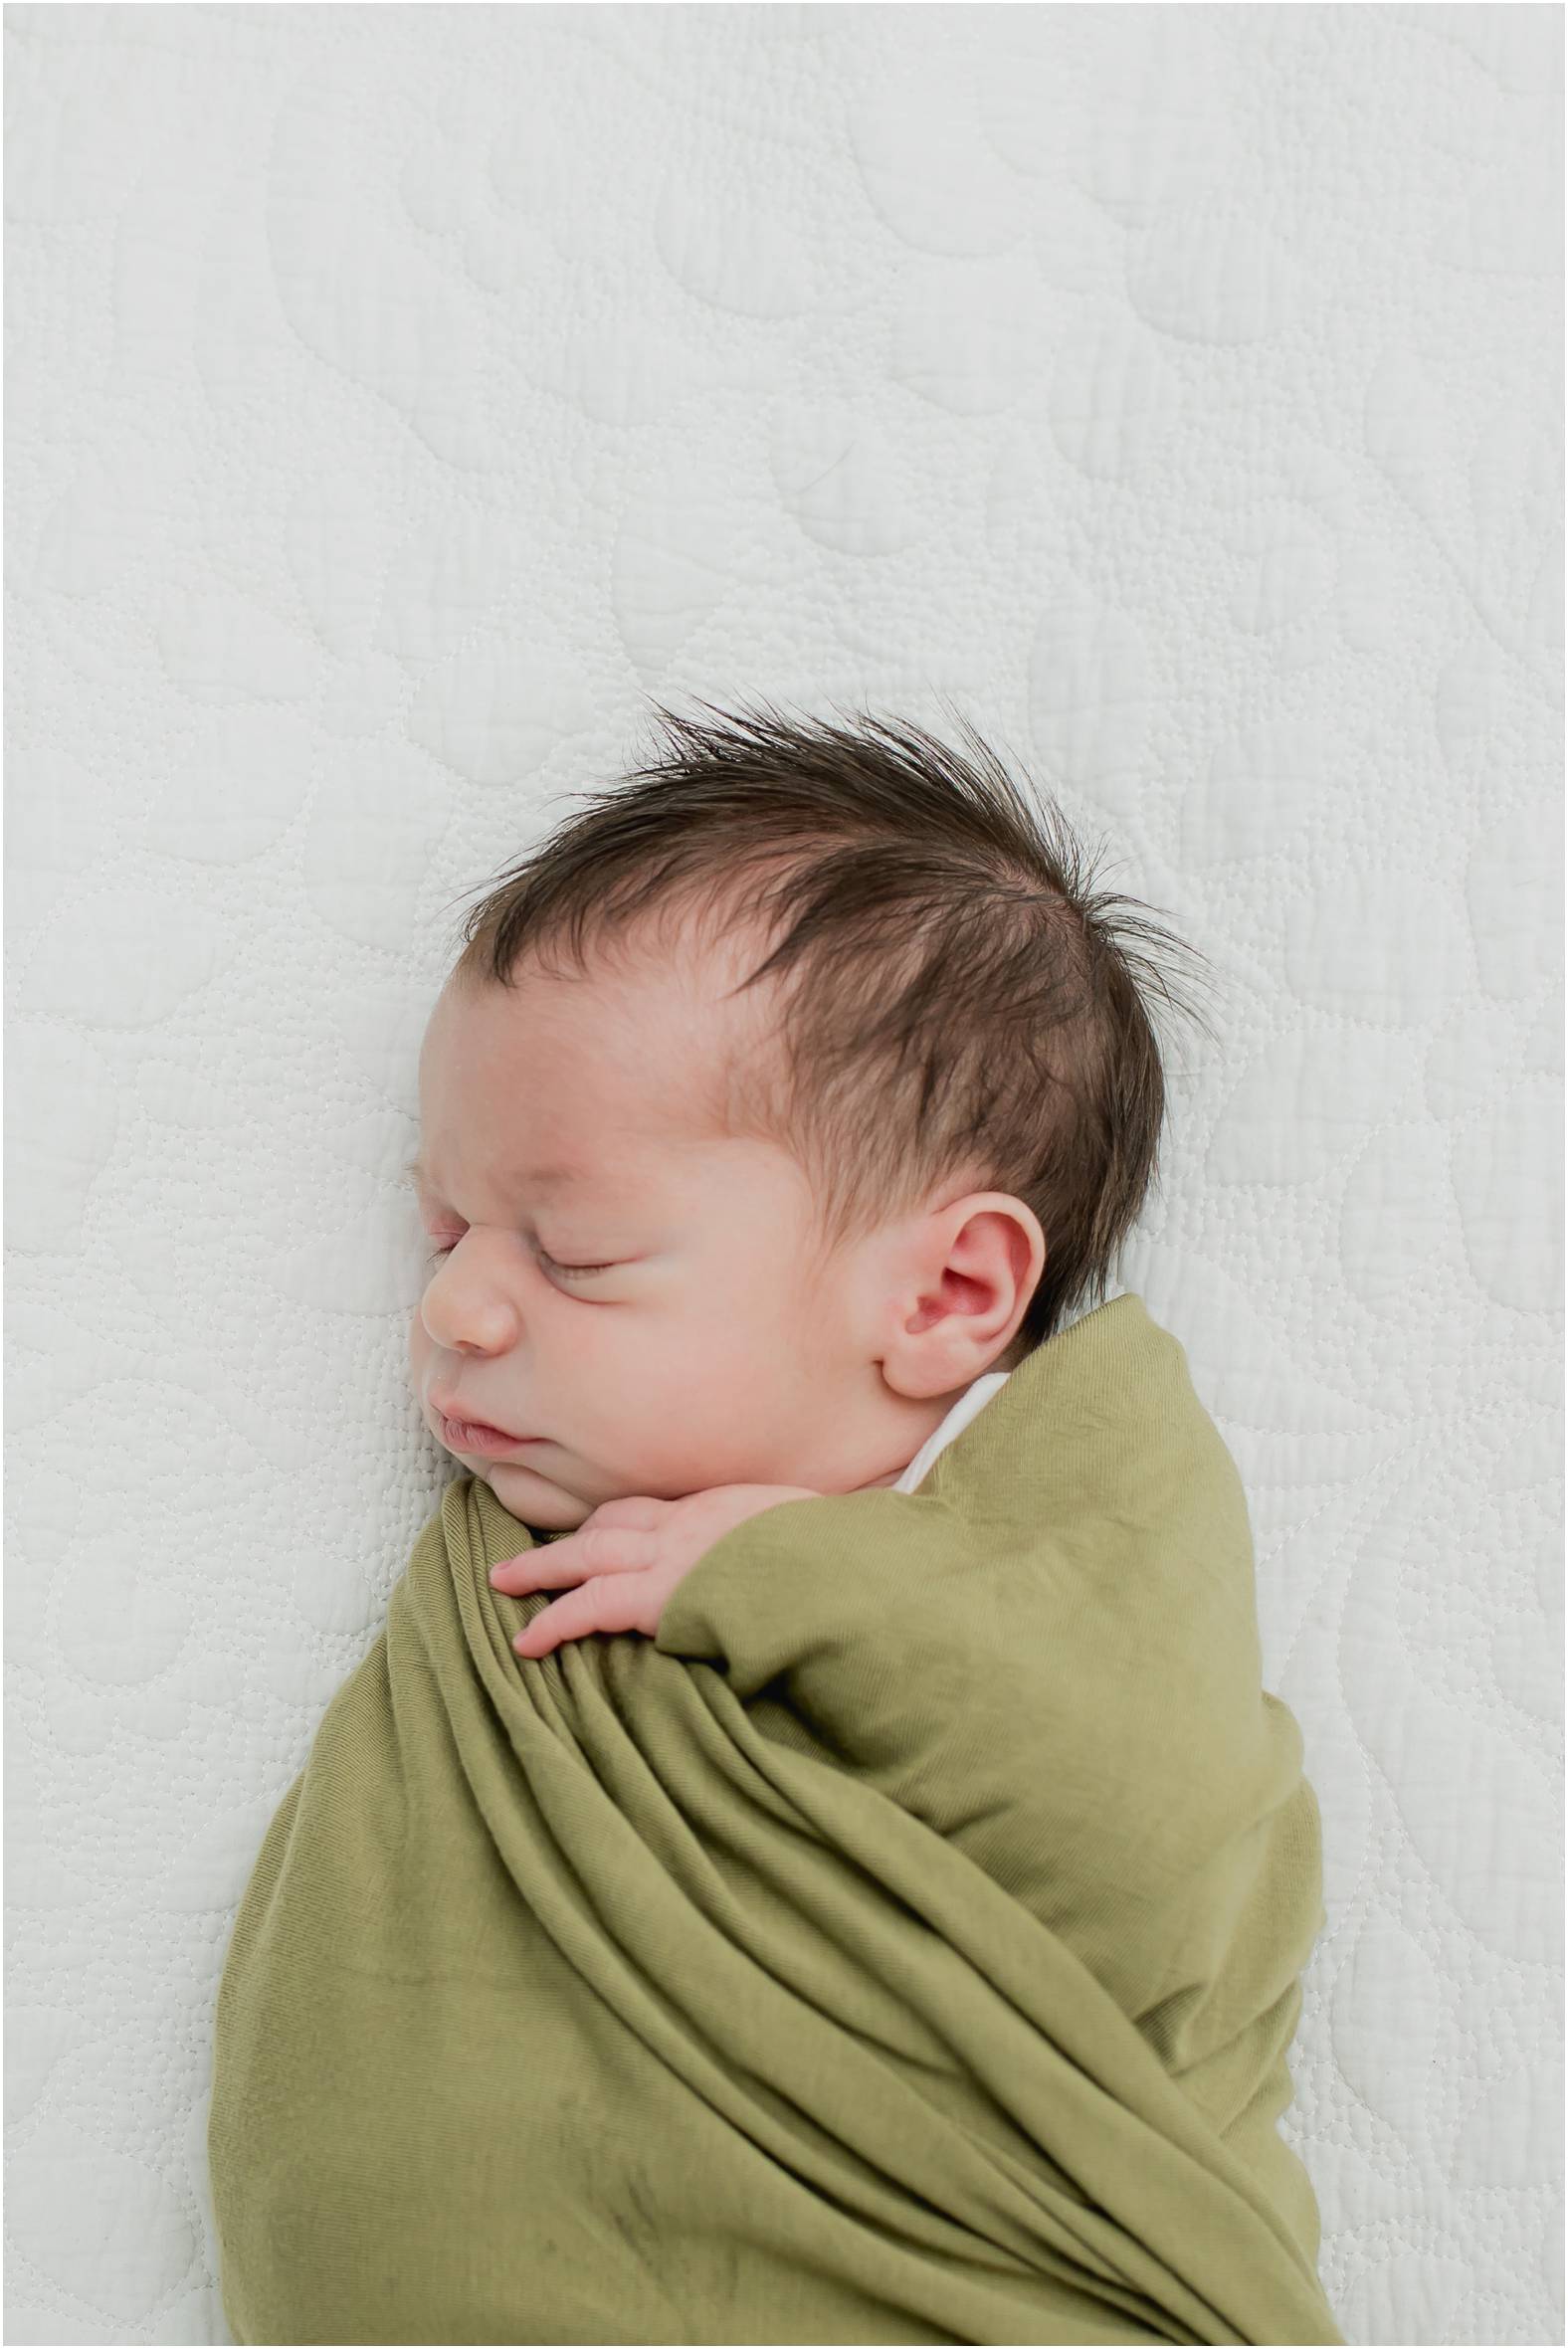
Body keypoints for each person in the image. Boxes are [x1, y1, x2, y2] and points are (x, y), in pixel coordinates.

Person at [208, 697, 1342, 2347]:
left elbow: (1150, 1834)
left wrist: (787, 1578)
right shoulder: (528, 1553)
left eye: (572, 1250)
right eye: (445, 1221)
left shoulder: (1093, 1512)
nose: (455, 1305)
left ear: (950, 1291)